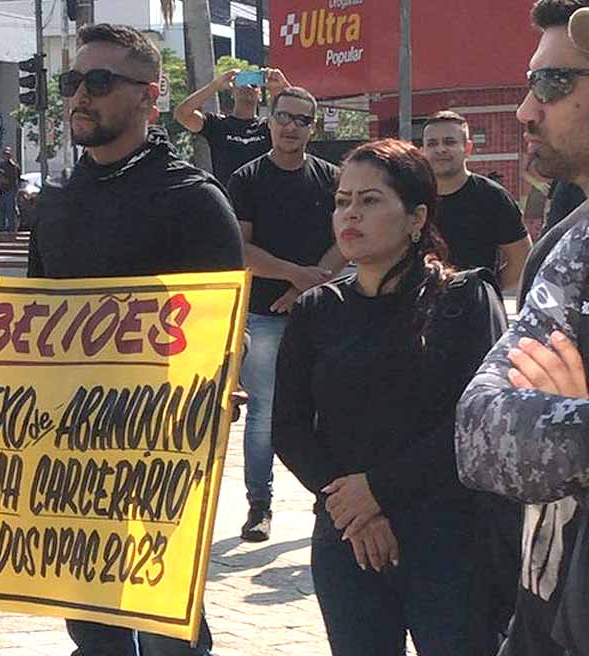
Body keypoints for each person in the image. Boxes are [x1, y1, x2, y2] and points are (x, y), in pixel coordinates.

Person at [28, 23, 243, 656]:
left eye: (98, 82)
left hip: (159, 455)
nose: (78, 97)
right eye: (72, 83)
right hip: (67, 452)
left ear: (150, 97)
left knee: (168, 631)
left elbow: (224, 341)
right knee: (91, 631)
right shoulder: (59, 201)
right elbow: (26, 332)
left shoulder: (193, 201)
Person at [274, 139, 510, 655]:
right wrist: (355, 510)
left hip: (447, 537)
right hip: (347, 537)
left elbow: (479, 422)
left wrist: (378, 490)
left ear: (416, 216)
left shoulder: (465, 299)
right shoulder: (318, 308)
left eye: (371, 200)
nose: (350, 214)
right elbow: (288, 429)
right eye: (342, 201)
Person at [457, 2, 589, 654]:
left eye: (554, 84)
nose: (526, 111)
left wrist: (561, 424)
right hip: (544, 617)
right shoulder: (566, 247)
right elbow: (479, 431)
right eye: (531, 83)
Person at [226, 86, 346, 542]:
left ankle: (330, 498)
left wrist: (310, 287)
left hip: (322, 312)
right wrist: (296, 275)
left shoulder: (332, 179)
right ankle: (260, 505)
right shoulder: (247, 178)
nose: (291, 126)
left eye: (301, 119)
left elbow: (346, 240)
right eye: (284, 117)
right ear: (269, 121)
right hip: (263, 314)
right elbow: (240, 248)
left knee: (327, 411)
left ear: (312, 128)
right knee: (264, 414)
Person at [421, 110, 531, 291]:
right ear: (423, 151)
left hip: (476, 312)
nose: (440, 149)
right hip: (419, 309)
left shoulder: (494, 197)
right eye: (432, 144)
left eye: (449, 142)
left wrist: (485, 290)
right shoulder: (412, 197)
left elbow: (522, 260)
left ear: (467, 148)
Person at [172, 67, 290, 186]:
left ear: (260, 95)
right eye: (242, 82)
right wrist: (216, 85)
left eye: (253, 84)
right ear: (232, 92)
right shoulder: (217, 124)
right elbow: (181, 114)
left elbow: (304, 121)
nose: (248, 87)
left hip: (263, 199)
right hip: (227, 200)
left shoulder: (270, 127)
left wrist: (284, 87)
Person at [0, 146, 21, 231]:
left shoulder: (13, 167)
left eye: (7, 154)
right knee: (0, 212)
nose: (5, 156)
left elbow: (12, 180)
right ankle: (1, 229)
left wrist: (1, 179)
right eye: (4, 154)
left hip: (10, 191)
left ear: (10, 156)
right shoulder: (1, 165)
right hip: (2, 191)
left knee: (10, 212)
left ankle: (12, 230)